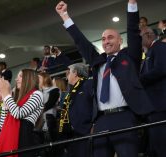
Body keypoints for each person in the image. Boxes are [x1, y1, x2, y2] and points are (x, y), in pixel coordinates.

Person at [55, 0, 154, 156]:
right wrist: (64, 15)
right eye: (103, 39)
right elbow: (81, 42)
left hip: (125, 117)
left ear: (120, 41)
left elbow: (133, 31)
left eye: (110, 37)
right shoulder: (98, 61)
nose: (106, 41)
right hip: (101, 121)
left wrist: (132, 5)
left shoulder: (129, 57)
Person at [0, 69, 43, 157]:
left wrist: (6, 95)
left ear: (29, 78)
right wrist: (5, 102)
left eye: (20, 76)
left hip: (25, 139)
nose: (16, 79)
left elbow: (19, 114)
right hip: (12, 139)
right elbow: (3, 126)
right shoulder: (15, 100)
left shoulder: (37, 94)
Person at [140, 23, 166, 157]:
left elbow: (161, 69)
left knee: (162, 146)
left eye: (140, 37)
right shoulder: (149, 51)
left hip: (160, 105)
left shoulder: (160, 47)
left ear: (149, 35)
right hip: (153, 107)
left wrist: (138, 80)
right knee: (155, 147)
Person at [58, 63, 93, 157]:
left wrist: (93, 125)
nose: (66, 77)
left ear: (75, 73)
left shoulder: (88, 84)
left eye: (69, 73)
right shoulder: (70, 91)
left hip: (85, 132)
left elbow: (95, 104)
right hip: (71, 134)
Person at [37, 72, 59, 156]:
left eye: (39, 78)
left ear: (45, 79)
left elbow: (50, 103)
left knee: (51, 147)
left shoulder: (54, 90)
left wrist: (37, 109)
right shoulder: (38, 92)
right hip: (39, 124)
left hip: (49, 121)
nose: (37, 80)